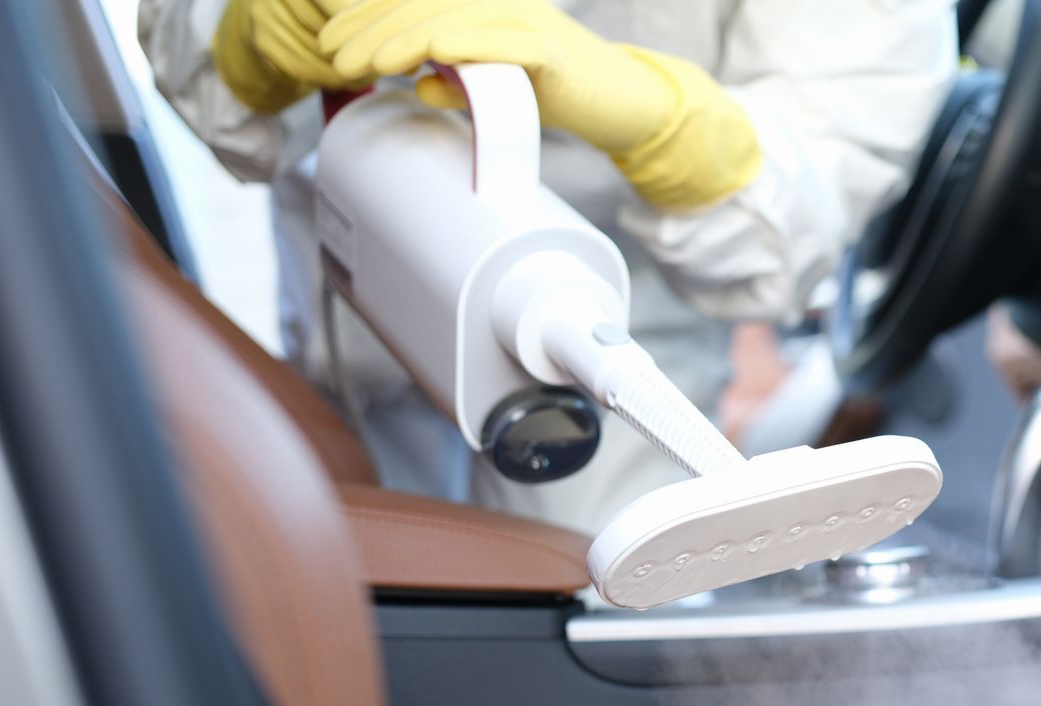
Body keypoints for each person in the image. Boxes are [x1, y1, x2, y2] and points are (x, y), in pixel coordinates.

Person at [140, 0, 957, 533]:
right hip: (351, 334)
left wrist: (672, 128)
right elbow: (195, 66)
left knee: (588, 650)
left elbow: (817, 188)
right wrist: (239, 47)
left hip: (621, 349)